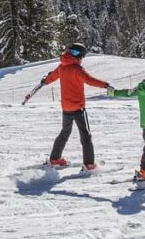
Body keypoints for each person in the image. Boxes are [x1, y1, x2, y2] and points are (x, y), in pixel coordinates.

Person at [38, 43, 110, 171]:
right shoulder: (77, 69)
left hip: (66, 108)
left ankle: (54, 159)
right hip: (78, 108)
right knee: (85, 136)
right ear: (78, 56)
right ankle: (89, 164)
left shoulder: (62, 67)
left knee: (65, 132)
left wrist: (45, 81)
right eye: (82, 56)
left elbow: (51, 77)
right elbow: (90, 80)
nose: (82, 59)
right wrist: (105, 85)